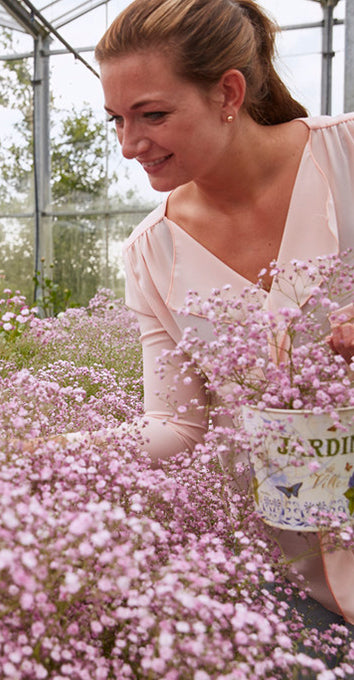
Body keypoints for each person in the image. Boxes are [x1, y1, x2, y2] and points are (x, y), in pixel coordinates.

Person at [93, 0, 354, 641]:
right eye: (117, 122)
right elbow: (178, 425)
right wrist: (47, 457)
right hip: (294, 590)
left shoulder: (347, 154)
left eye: (152, 114)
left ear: (228, 92)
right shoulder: (152, 253)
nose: (131, 145)